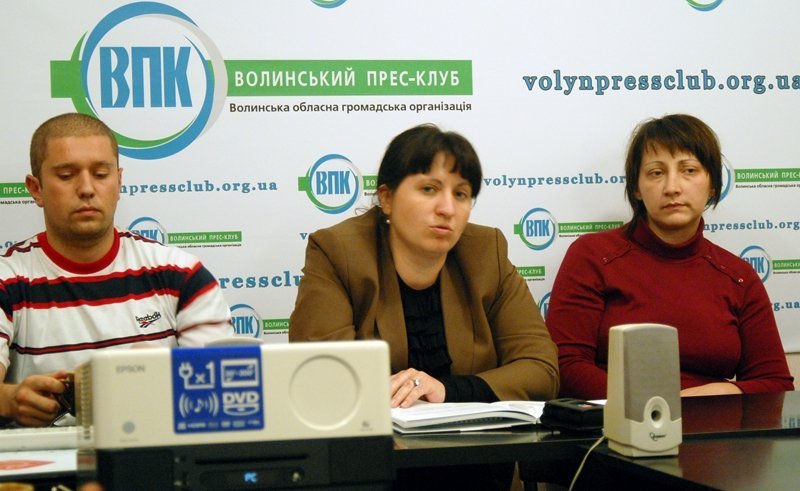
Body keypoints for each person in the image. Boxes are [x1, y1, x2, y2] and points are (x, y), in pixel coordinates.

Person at [290, 124, 559, 490]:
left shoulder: (487, 252)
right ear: (387, 198)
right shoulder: (338, 251)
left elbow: (541, 369)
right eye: (429, 189)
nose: (447, 209)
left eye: (461, 194)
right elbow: (320, 373)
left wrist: (444, 390)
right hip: (370, 471)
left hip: (473, 470)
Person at [0, 113, 233, 427]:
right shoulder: (7, 280)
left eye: (100, 174)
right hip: (45, 457)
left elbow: (222, 393)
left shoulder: (182, 276)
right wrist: (11, 399)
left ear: (119, 181)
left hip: (159, 451)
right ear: (36, 188)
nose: (86, 189)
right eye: (66, 175)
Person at [546, 113, 794, 400]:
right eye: (656, 173)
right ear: (636, 189)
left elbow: (776, 383)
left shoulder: (738, 276)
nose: (672, 187)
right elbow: (566, 368)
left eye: (689, 170)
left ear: (713, 185)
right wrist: (665, 404)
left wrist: (725, 390)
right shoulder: (593, 256)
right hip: (615, 422)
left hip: (714, 424)